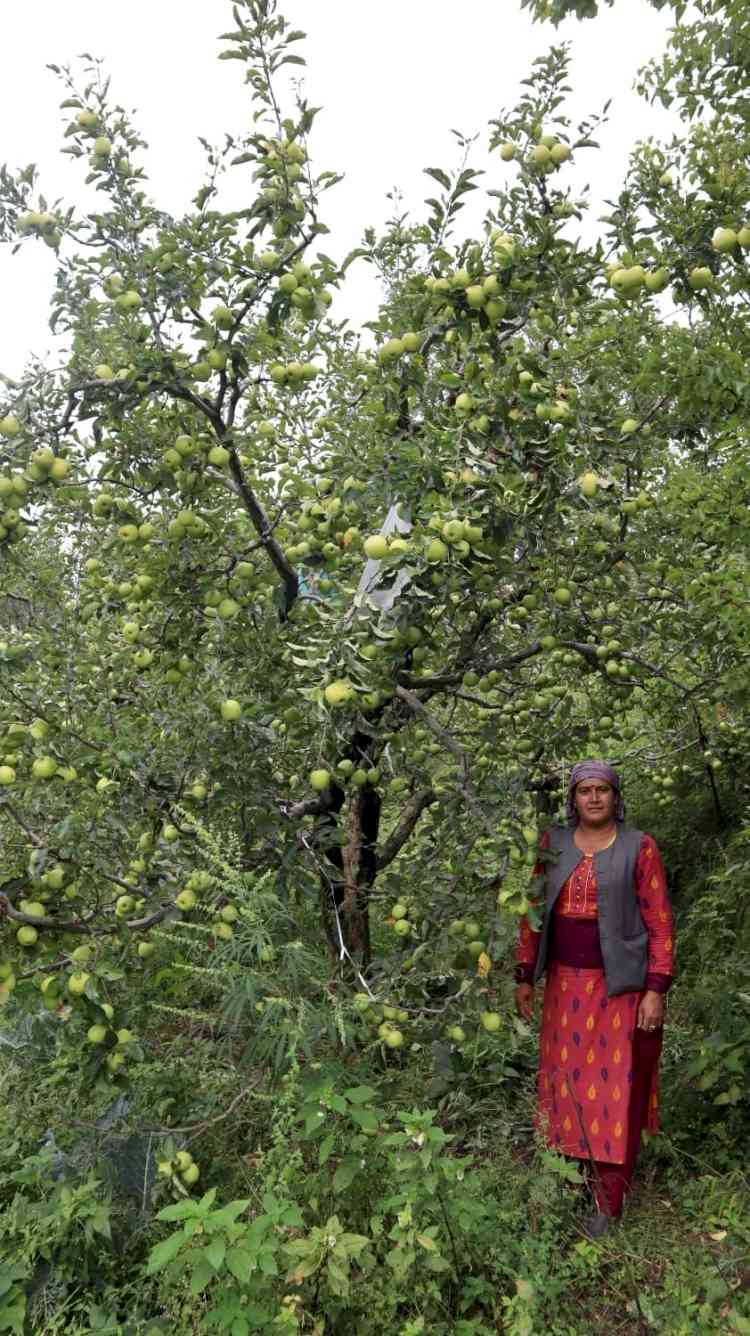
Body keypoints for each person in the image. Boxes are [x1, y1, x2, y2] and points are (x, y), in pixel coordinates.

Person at [514, 760, 674, 1237]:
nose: (595, 798)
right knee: (563, 1082)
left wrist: (655, 989)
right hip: (564, 988)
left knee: (614, 1086)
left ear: (615, 796)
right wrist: (525, 973)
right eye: (586, 791)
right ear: (574, 798)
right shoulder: (553, 844)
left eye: (603, 790)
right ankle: (567, 1179)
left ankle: (608, 1197)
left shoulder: (639, 847)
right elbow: (533, 909)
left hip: (619, 990)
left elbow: (660, 923)